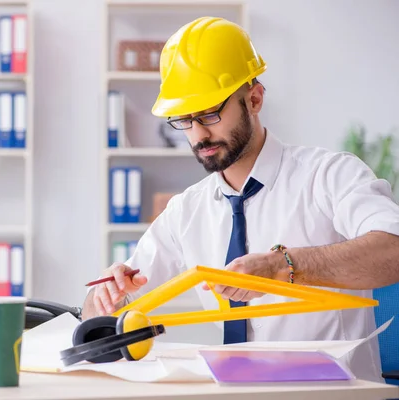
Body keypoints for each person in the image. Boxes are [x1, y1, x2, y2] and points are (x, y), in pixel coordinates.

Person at [81, 16, 399, 382]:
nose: (199, 134)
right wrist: (105, 296)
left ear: (254, 98)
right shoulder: (185, 212)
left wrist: (282, 266)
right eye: (184, 120)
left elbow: (393, 252)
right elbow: (107, 319)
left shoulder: (329, 176)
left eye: (210, 113)